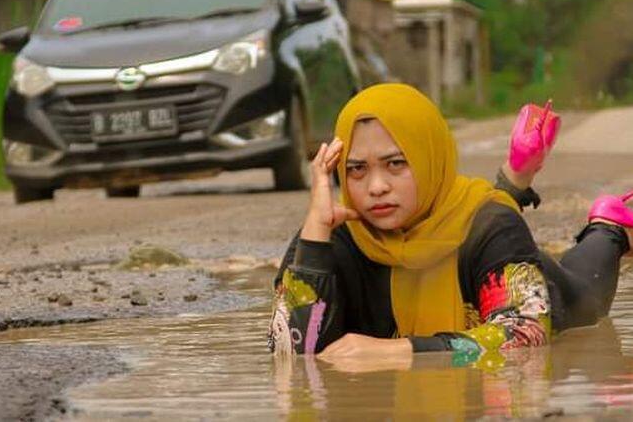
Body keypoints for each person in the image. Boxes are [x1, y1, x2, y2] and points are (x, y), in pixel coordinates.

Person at [268, 83, 633, 360]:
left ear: (430, 160)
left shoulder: (492, 227)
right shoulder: (329, 235)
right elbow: (289, 353)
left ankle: (610, 225)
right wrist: (314, 236)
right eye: (357, 169)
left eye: (396, 163)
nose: (376, 187)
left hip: (537, 282)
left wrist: (397, 353)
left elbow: (525, 335)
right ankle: (514, 180)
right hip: (466, 231)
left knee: (588, 297)